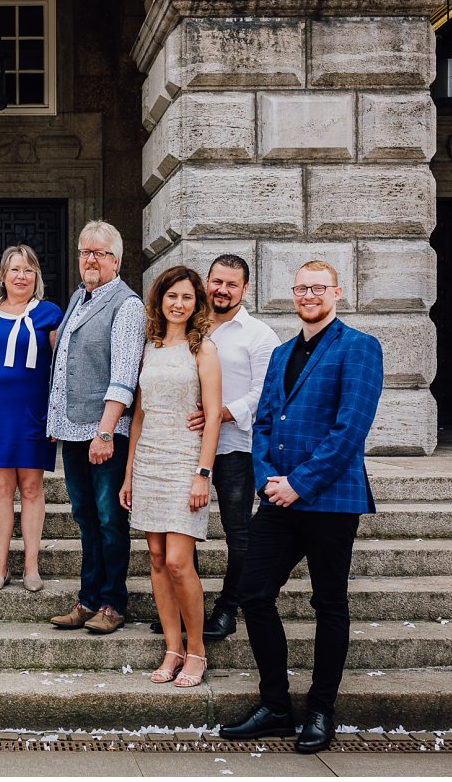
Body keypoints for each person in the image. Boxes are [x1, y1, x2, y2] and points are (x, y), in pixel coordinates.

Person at [219, 260, 383, 754]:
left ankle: (320, 708)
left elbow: (350, 429)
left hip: (331, 500)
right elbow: (264, 422)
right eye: (301, 288)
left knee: (329, 604)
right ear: (293, 294)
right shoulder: (284, 351)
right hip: (278, 497)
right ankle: (274, 706)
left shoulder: (358, 347)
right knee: (253, 593)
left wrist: (301, 484)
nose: (308, 295)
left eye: (318, 288)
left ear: (336, 292)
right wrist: (271, 478)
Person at [121, 266, 222, 687]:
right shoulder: (151, 346)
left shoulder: (204, 349)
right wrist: (129, 474)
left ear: (196, 303)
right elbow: (138, 415)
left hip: (185, 461)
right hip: (149, 460)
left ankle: (196, 651)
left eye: (186, 297)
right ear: (159, 300)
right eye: (171, 296)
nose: (178, 304)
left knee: (180, 562)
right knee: (158, 561)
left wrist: (203, 474)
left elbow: (213, 416)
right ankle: (171, 648)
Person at [47, 221, 145, 635]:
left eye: (99, 253)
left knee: (109, 519)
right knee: (85, 516)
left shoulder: (127, 305)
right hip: (72, 429)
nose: (90, 259)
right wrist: (56, 417)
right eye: (85, 251)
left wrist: (105, 432)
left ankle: (112, 603)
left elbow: (123, 376)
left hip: (104, 432)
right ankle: (87, 600)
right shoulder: (78, 297)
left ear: (116, 261)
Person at [178, 255, 280, 642]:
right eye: (216, 281)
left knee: (239, 532)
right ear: (207, 281)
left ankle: (228, 608)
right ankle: (191, 610)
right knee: (183, 529)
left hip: (236, 448)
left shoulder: (258, 334)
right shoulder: (189, 325)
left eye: (231, 284)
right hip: (186, 446)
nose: (222, 290)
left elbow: (265, 391)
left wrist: (222, 413)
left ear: (245, 289)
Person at [0, 244, 63, 592]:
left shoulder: (50, 313)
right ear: (3, 275)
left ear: (36, 276)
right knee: (0, 489)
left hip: (33, 414)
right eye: (15, 269)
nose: (21, 276)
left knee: (30, 488)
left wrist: (58, 415)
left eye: (28, 270)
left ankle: (31, 566)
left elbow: (62, 367)